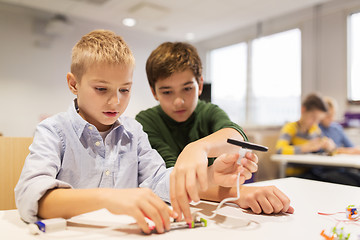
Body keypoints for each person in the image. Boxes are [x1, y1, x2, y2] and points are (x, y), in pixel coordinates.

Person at [14, 30, 256, 234]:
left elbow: (160, 182)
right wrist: (109, 198)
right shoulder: (54, 131)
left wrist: (211, 176)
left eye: (125, 90)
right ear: (74, 84)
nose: (115, 101)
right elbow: (29, 197)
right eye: (101, 89)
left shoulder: (134, 131)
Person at [135, 42, 294, 223]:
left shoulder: (208, 111)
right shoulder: (146, 122)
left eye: (187, 88)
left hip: (209, 209)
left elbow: (236, 135)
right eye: (167, 92)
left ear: (200, 85)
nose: (178, 101)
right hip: (175, 211)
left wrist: (198, 147)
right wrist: (238, 194)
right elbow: (173, 182)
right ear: (154, 92)